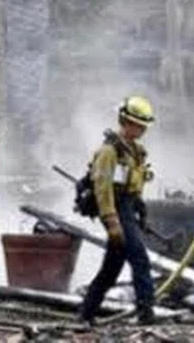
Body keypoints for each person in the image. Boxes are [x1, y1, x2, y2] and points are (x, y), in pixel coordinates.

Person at [78, 95, 156, 326]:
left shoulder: (136, 151)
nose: (141, 130)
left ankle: (86, 314)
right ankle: (146, 314)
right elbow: (103, 188)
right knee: (140, 259)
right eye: (137, 125)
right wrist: (112, 221)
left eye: (143, 126)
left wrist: (140, 209)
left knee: (111, 268)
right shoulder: (110, 151)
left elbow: (134, 185)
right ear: (125, 122)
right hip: (115, 208)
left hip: (128, 207)